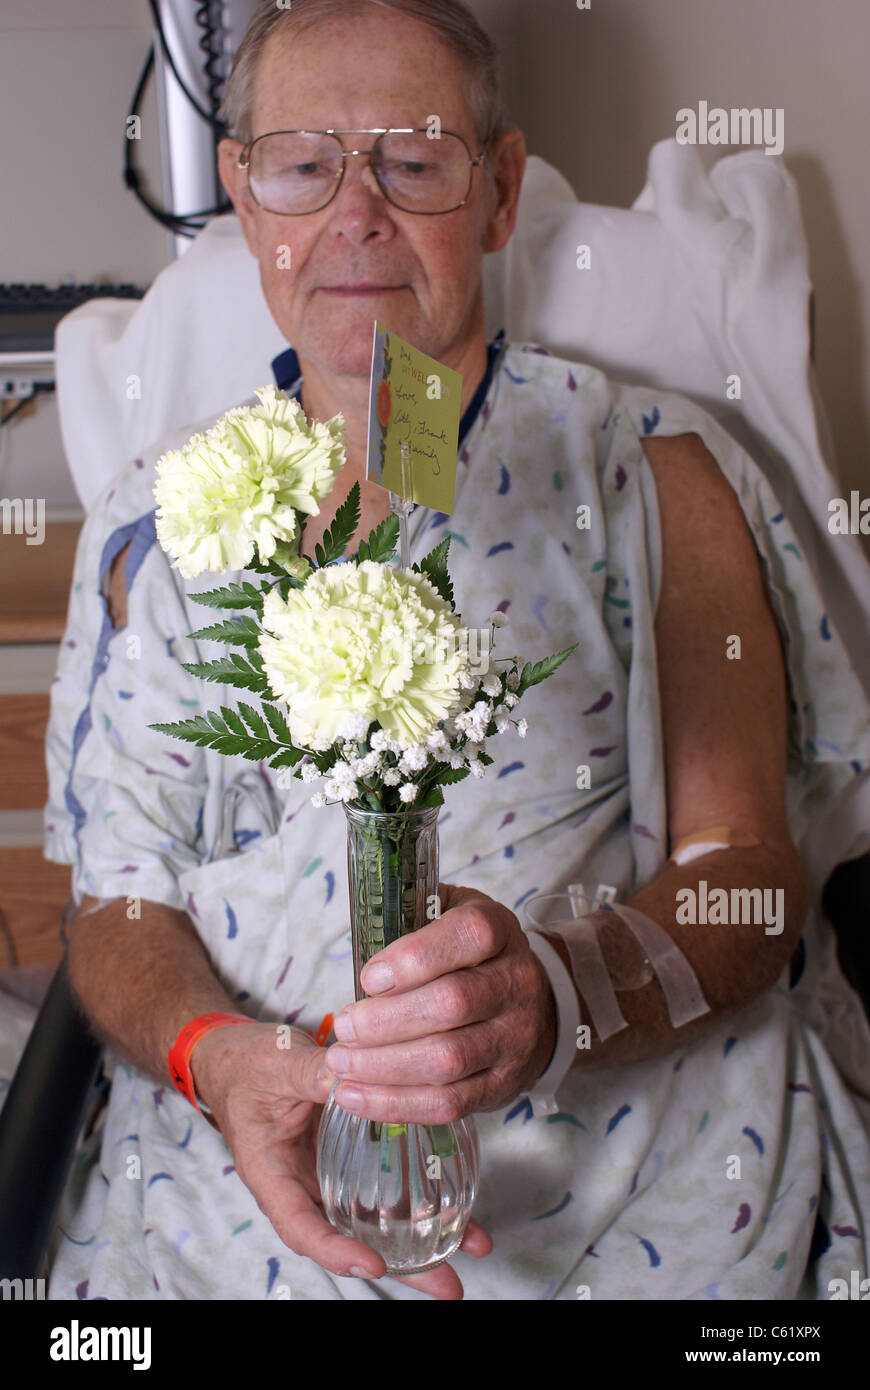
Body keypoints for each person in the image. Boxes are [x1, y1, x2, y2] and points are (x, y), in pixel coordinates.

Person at [44, 0, 870, 1301]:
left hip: (618, 1182)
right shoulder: (160, 520)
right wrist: (216, 1056)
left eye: (415, 160)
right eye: (304, 165)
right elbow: (115, 901)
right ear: (250, 207)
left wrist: (566, 990)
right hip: (235, 1183)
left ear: (496, 196)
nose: (356, 213)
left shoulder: (650, 471)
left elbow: (748, 879)